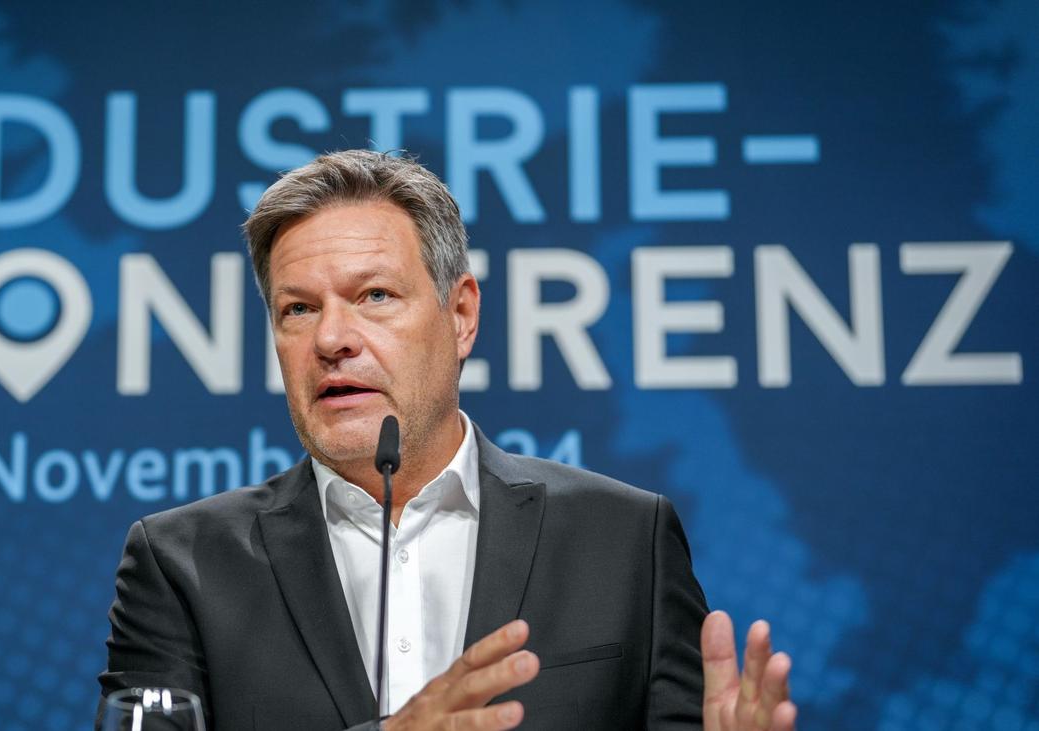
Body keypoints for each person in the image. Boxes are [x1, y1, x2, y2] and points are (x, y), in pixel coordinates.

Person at [98, 150, 796, 730]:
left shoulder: (622, 539)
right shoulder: (182, 565)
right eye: (298, 309)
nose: (332, 338)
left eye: (374, 296)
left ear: (460, 315)